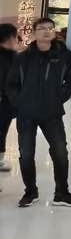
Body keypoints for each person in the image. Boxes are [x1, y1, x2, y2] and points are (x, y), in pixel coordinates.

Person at [5, 17, 71, 208]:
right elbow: (11, 84)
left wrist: (58, 97)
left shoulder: (64, 56)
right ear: (34, 33)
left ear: (54, 32)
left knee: (60, 152)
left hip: (52, 113)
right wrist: (20, 102)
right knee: (26, 154)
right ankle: (30, 192)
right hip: (27, 114)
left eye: (50, 28)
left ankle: (62, 193)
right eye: (42, 28)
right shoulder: (23, 58)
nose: (47, 31)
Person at [0, 23, 19, 173]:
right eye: (15, 36)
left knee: (2, 130)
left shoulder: (15, 56)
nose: (17, 39)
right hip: (3, 100)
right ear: (9, 38)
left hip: (8, 102)